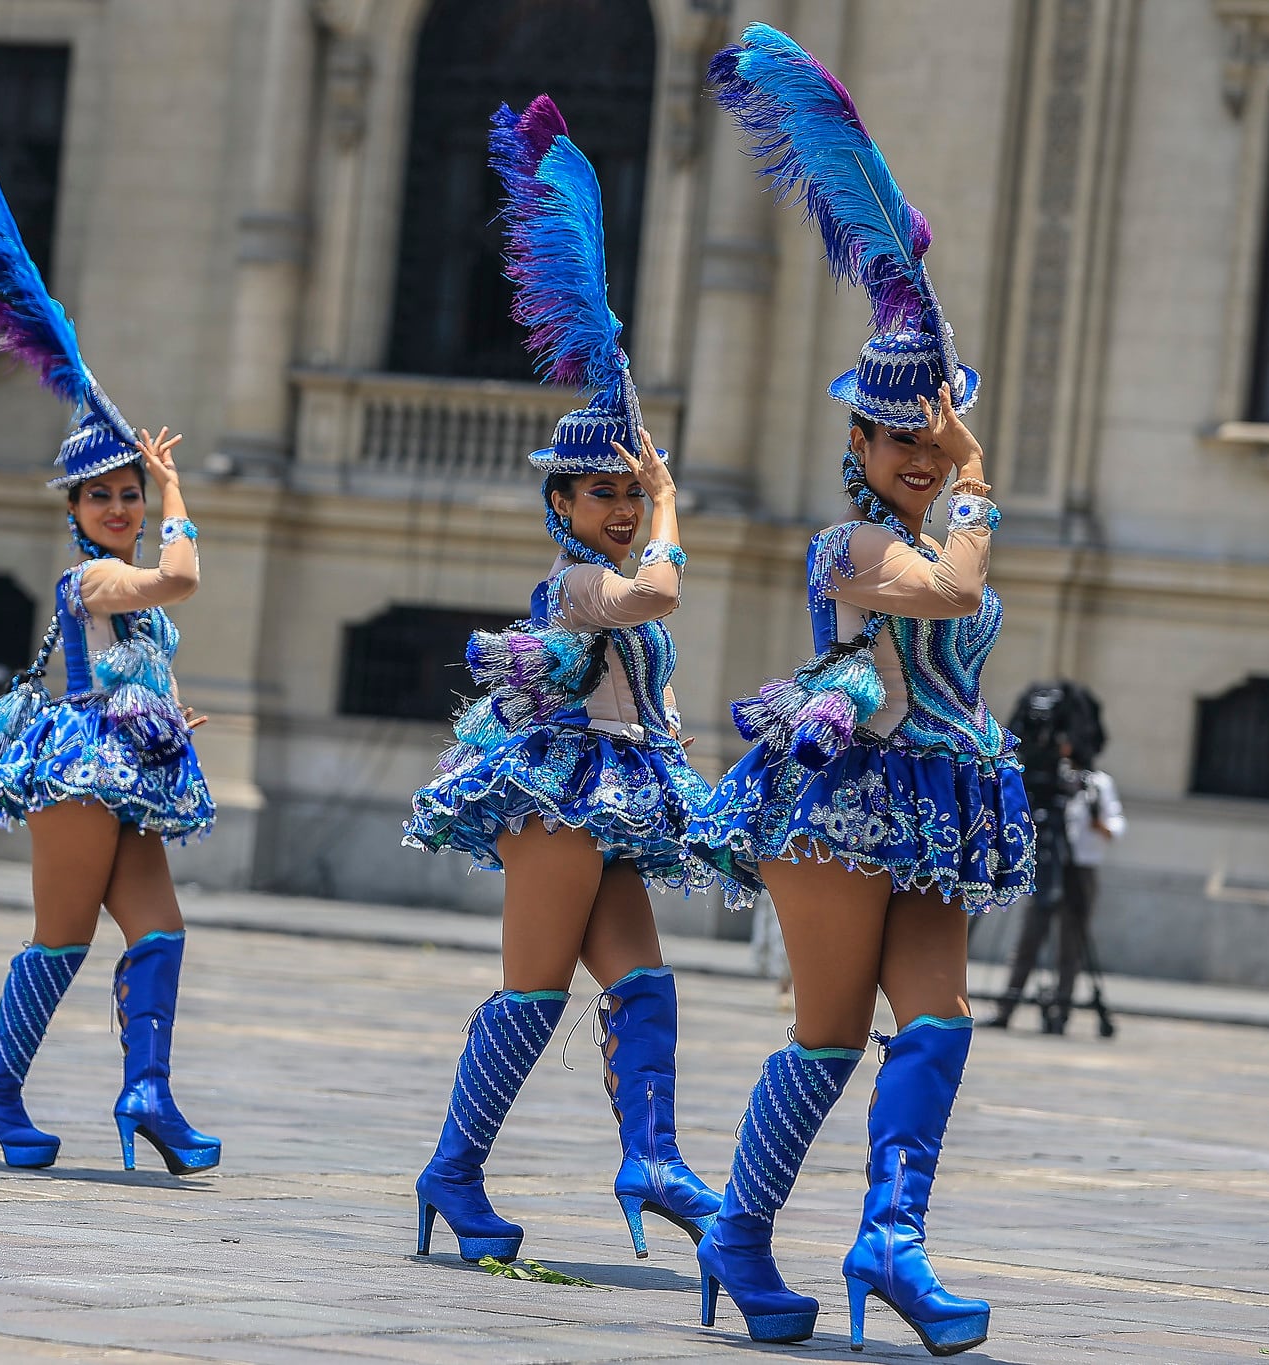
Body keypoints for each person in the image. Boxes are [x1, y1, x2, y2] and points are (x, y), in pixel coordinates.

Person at [688, 27, 1033, 1355]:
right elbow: (947, 592)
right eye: (897, 439)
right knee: (829, 1034)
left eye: (928, 439)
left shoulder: (937, 524)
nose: (914, 456)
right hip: (843, 796)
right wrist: (977, 482)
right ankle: (738, 1232)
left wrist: (966, 481)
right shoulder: (855, 544)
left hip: (943, 797)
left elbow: (961, 598)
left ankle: (893, 1239)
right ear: (860, 442)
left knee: (939, 1026)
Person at [401, 97, 721, 1265]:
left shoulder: (606, 566)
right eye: (601, 496)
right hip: (557, 798)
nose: (621, 508)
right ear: (561, 507)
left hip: (617, 796)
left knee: (644, 987)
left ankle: (651, 1157)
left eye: (629, 495)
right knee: (533, 994)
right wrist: (674, 511)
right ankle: (452, 1171)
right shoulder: (580, 583)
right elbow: (658, 597)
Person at [0, 155, 218, 1174]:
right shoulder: (92, 581)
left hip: (132, 770)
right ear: (72, 512)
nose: (119, 509)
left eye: (127, 493)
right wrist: (174, 497)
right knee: (63, 937)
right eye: (103, 498)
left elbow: (138, 664)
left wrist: (165, 717)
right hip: (78, 776)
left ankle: (147, 1095)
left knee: (158, 933)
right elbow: (180, 580)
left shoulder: (118, 585)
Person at [991, 746, 1124, 1033]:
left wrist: (1095, 818)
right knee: (1030, 937)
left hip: (1081, 867)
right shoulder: (1050, 780)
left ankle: (1061, 1009)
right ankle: (1007, 1005)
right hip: (1048, 864)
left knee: (1071, 941)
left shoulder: (1097, 784)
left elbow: (1115, 827)